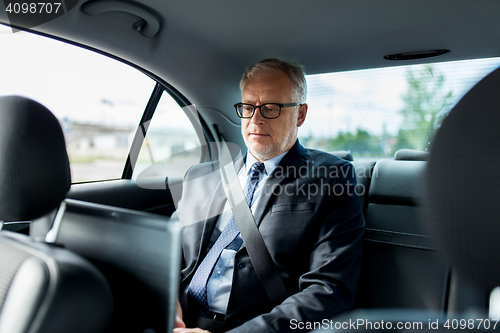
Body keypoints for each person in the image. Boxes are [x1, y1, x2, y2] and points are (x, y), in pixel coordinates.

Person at [173, 59, 365, 333]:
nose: (255, 119)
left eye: (271, 108)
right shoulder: (201, 178)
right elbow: (164, 254)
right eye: (248, 107)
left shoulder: (333, 177)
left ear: (300, 114)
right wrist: (166, 305)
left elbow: (330, 290)